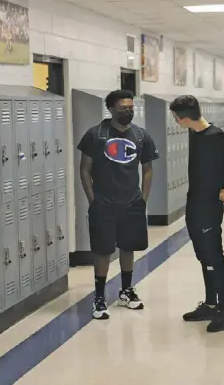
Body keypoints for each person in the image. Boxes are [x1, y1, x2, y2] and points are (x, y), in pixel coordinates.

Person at [169, 95, 224, 333]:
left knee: (214, 256)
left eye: (176, 118)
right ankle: (209, 303)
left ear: (185, 118)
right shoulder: (194, 133)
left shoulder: (216, 136)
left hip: (209, 205)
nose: (176, 122)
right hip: (194, 202)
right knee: (203, 256)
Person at [78, 89, 159, 319]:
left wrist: (143, 199)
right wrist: (93, 199)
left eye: (131, 108)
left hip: (131, 203)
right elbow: (84, 170)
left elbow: (148, 169)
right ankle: (100, 296)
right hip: (103, 203)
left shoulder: (141, 135)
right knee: (102, 250)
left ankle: (126, 290)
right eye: (124, 108)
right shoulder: (96, 135)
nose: (128, 112)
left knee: (128, 246)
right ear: (112, 109)